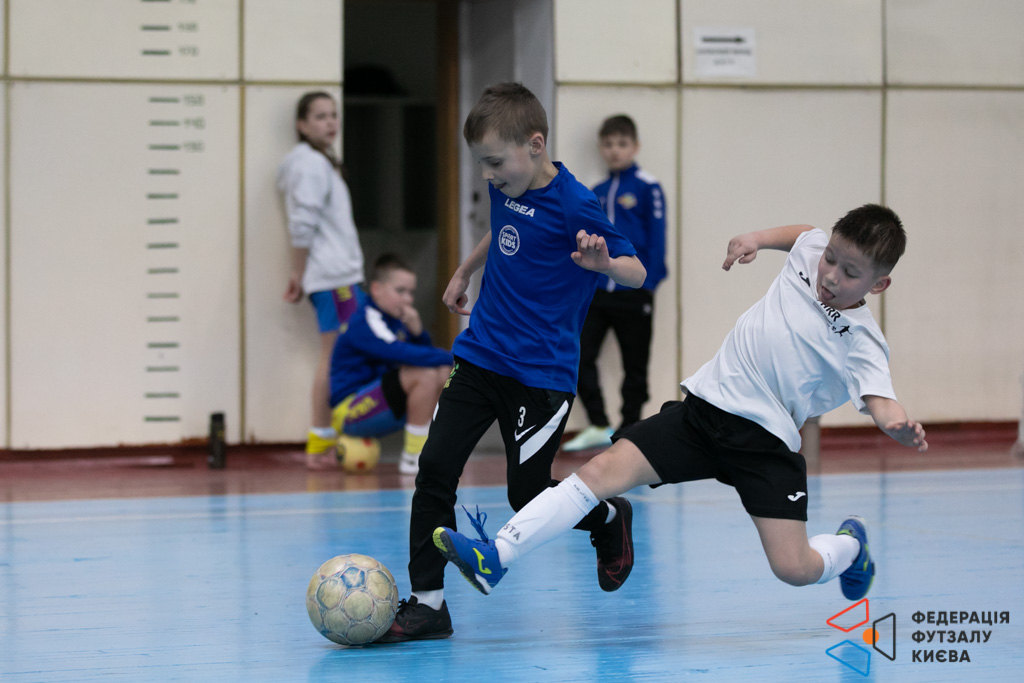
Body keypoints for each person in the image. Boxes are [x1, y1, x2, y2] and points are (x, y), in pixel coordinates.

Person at [434, 204, 929, 610]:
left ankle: (851, 547)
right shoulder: (813, 250)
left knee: (793, 568)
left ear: (878, 284)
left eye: (850, 273)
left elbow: (880, 400)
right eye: (831, 260)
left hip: (764, 445)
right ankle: (498, 554)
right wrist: (756, 238)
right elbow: (804, 234)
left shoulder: (864, 342)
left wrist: (897, 426)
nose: (831, 275)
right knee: (599, 471)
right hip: (703, 413)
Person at [376, 82, 647, 643]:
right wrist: (464, 271)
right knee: (435, 469)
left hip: (540, 377)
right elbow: (504, 228)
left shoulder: (575, 203)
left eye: (495, 163)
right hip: (480, 356)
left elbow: (636, 271)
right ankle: (428, 604)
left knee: (526, 494)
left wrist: (603, 263)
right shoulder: (508, 182)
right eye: (482, 163)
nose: (488, 175)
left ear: (535, 144)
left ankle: (607, 517)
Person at [563, 114, 667, 452]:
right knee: (579, 354)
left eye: (622, 144)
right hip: (597, 292)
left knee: (634, 365)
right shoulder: (595, 191)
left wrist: (648, 282)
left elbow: (658, 238)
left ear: (635, 147)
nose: (614, 150)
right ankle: (598, 423)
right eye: (608, 144)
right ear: (601, 148)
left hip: (634, 291)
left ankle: (629, 430)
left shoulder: (648, 187)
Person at [276, 92, 366, 469]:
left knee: (345, 355)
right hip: (333, 279)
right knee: (336, 356)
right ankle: (320, 442)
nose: (330, 122)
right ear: (302, 125)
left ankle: (333, 437)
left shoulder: (320, 162)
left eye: (333, 115)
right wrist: (298, 274)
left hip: (337, 275)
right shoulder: (310, 165)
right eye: (320, 116)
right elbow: (302, 225)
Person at [328, 254, 453, 475]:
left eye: (411, 292)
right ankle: (413, 457)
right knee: (425, 375)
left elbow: (422, 355)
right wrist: (459, 357)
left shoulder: (395, 320)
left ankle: (431, 448)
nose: (408, 300)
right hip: (349, 413)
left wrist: (418, 333)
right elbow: (400, 353)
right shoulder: (364, 322)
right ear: (376, 289)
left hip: (381, 402)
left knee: (444, 374)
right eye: (400, 291)